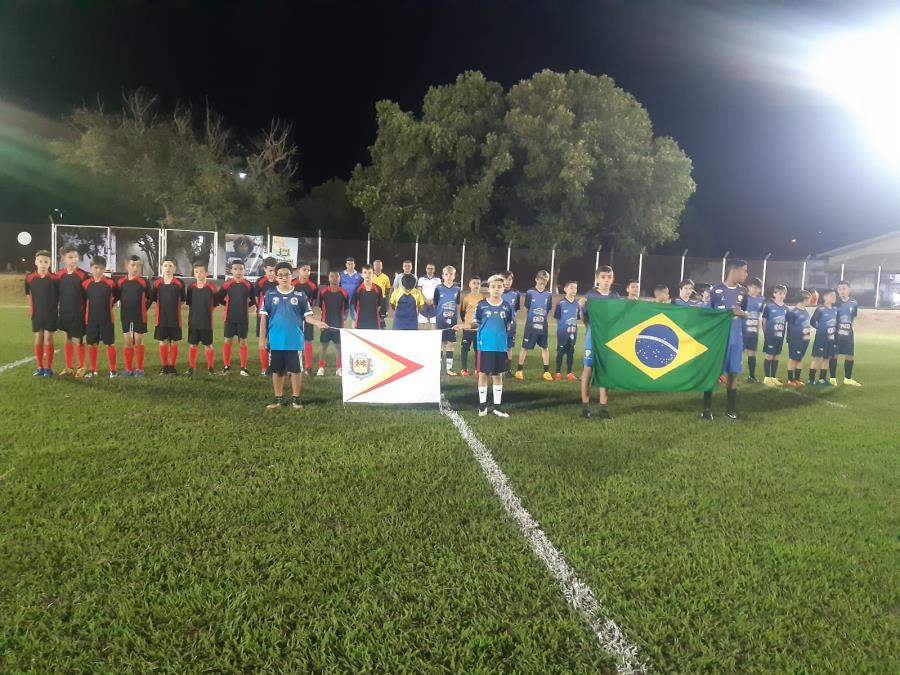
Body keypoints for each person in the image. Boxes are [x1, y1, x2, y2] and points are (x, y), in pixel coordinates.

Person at [259, 262, 329, 409]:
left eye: (287, 275)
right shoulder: (270, 294)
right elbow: (264, 317)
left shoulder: (300, 295)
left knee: (296, 370)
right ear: (276, 277)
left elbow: (307, 317)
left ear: (292, 276)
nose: (284, 278)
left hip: (294, 341)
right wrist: (262, 338)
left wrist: (317, 323)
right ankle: (278, 398)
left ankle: (296, 399)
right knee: (277, 371)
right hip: (276, 341)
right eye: (280, 275)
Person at [454, 274, 513, 417]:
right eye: (493, 287)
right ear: (489, 289)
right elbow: (476, 323)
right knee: (482, 374)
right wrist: (463, 326)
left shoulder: (507, 306)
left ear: (503, 288)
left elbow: (508, 325)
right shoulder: (482, 305)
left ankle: (497, 407)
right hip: (485, 345)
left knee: (498, 374)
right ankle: (482, 407)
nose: (496, 289)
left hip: (500, 346)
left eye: (499, 286)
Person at [703, 259, 749, 420]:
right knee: (714, 373)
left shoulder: (743, 291)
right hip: (720, 339)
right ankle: (706, 410)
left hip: (736, 339)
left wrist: (741, 313)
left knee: (733, 374)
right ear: (734, 270)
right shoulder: (715, 290)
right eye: (744, 270)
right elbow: (708, 314)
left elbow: (746, 313)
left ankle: (730, 411)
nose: (746, 274)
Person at [580, 266, 618, 419]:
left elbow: (617, 319)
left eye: (609, 277)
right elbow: (585, 321)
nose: (606, 280)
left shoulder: (615, 296)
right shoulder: (591, 296)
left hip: (608, 340)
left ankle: (603, 408)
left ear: (612, 278)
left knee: (604, 372)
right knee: (587, 370)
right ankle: (585, 406)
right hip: (592, 337)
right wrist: (581, 308)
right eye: (603, 277)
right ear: (597, 278)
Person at [216, 259, 256, 375]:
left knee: (243, 341)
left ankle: (243, 367)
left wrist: (245, 306)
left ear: (245, 270)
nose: (238, 271)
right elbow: (218, 298)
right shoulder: (227, 284)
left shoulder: (248, 285)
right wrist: (227, 304)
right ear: (231, 271)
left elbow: (253, 300)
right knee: (228, 340)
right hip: (229, 318)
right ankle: (226, 366)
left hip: (243, 318)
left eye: (241, 269)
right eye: (235, 269)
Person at [81, 256, 118, 378]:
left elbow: (116, 296)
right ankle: (93, 370)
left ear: (104, 269)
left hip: (107, 319)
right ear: (91, 268)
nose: (98, 270)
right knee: (92, 344)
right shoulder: (85, 284)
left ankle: (113, 371)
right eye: (96, 268)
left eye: (101, 268)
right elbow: (83, 301)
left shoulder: (110, 283)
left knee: (110, 344)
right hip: (91, 319)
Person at [56, 245, 89, 377]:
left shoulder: (83, 275)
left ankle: (82, 367)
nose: (74, 259)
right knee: (67, 339)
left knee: (78, 340)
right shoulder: (59, 275)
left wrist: (86, 313)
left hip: (78, 313)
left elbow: (87, 296)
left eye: (76, 256)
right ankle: (69, 367)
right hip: (64, 312)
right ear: (63, 259)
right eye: (70, 257)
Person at [515, 270, 553, 381]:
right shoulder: (530, 292)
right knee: (525, 347)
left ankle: (546, 372)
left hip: (543, 327)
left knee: (545, 347)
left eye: (545, 280)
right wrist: (529, 322)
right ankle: (519, 371)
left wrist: (543, 320)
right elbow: (526, 308)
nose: (543, 282)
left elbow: (548, 310)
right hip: (530, 326)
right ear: (536, 279)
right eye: (541, 279)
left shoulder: (548, 294)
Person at [117, 255, 151, 377]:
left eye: (138, 265)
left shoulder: (143, 282)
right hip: (125, 315)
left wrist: (143, 308)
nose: (135, 268)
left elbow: (150, 298)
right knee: (127, 342)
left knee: (138, 342)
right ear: (127, 266)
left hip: (139, 316)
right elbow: (116, 296)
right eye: (132, 265)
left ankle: (139, 369)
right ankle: (128, 369)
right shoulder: (121, 282)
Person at [25, 249, 58, 377]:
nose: (43, 264)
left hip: (51, 314)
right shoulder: (29, 278)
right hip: (37, 314)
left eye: (46, 261)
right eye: (40, 261)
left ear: (49, 263)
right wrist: (31, 311)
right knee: (38, 338)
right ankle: (40, 368)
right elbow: (28, 295)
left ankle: (48, 368)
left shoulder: (55, 279)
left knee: (48, 339)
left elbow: (59, 297)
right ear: (35, 262)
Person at [151, 257, 186, 376]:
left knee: (174, 342)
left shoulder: (179, 283)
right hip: (161, 318)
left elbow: (182, 301)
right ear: (161, 267)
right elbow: (155, 299)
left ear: (174, 268)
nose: (168, 268)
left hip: (175, 318)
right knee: (163, 342)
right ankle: (164, 367)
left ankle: (172, 367)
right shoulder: (157, 284)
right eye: (165, 265)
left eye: (170, 266)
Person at [185, 260, 218, 377]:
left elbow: (215, 304)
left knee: (208, 345)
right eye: (196, 272)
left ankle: (210, 368)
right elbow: (189, 303)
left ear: (206, 273)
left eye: (201, 272)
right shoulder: (191, 288)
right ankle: (191, 367)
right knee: (193, 344)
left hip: (206, 323)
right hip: (193, 322)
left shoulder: (212, 288)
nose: (198, 274)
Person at [317, 271, 348, 376]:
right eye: (332, 276)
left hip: (338, 325)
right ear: (329, 278)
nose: (334, 278)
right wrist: (321, 322)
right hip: (326, 324)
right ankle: (321, 367)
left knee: (339, 347)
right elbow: (321, 307)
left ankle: (339, 368)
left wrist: (345, 318)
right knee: (323, 346)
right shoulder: (323, 292)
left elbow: (347, 308)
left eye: (337, 276)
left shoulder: (344, 293)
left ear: (340, 278)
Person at [432, 265, 461, 375]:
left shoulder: (457, 289)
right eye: (446, 274)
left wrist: (454, 318)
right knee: (440, 343)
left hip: (452, 321)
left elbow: (457, 304)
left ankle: (449, 368)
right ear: (443, 275)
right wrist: (439, 316)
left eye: (451, 274)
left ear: (454, 276)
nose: (449, 276)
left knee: (450, 343)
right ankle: (438, 367)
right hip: (440, 320)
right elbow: (435, 303)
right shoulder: (438, 288)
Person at [760, 284, 789, 386]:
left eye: (783, 294)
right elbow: (764, 321)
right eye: (779, 293)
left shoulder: (786, 308)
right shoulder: (769, 306)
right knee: (770, 355)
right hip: (770, 336)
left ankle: (773, 377)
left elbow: (787, 322)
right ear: (774, 294)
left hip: (780, 336)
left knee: (776, 356)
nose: (781, 295)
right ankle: (767, 378)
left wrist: (786, 335)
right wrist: (766, 334)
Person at [809, 288, 838, 386]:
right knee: (817, 358)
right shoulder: (820, 309)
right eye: (832, 295)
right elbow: (812, 321)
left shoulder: (835, 310)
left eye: (834, 296)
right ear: (825, 297)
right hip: (821, 338)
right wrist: (820, 329)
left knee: (827, 358)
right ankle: (811, 379)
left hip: (831, 339)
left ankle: (822, 379)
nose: (834, 297)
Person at [293, 263, 319, 374]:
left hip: (307, 316)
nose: (307, 272)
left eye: (309, 270)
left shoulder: (312, 286)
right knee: (293, 339)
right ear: (299, 270)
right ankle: (293, 365)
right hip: (293, 316)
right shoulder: (292, 283)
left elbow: (312, 302)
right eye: (304, 270)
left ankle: (308, 367)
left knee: (307, 339)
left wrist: (308, 313)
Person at [255, 256, 279, 376]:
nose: (272, 273)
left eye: (274, 270)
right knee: (262, 341)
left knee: (274, 341)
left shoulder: (278, 282)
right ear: (264, 269)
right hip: (263, 317)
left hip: (276, 317)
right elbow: (256, 299)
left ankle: (274, 366)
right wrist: (261, 311)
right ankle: (264, 368)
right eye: (269, 270)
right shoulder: (260, 282)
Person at [553, 281, 581, 380]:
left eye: (575, 288)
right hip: (562, 332)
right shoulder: (561, 303)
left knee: (570, 352)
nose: (574, 290)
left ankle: (569, 372)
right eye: (571, 288)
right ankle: (558, 372)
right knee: (560, 352)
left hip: (573, 332)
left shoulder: (577, 304)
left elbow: (577, 317)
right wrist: (562, 327)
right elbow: (557, 317)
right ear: (565, 289)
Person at [835, 280, 861, 386]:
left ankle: (848, 378)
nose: (842, 291)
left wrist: (849, 328)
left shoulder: (854, 303)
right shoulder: (835, 302)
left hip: (848, 333)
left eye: (844, 288)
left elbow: (853, 317)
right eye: (840, 289)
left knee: (850, 355)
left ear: (849, 290)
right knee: (834, 355)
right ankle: (832, 378)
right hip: (836, 333)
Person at [786, 290, 812, 386]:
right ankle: (790, 380)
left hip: (805, 339)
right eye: (809, 298)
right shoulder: (793, 312)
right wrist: (789, 339)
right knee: (793, 358)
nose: (810, 300)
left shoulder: (805, 310)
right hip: (796, 339)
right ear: (804, 299)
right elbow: (789, 327)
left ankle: (797, 379)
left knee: (800, 359)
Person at [742, 277, 765, 383]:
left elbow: (762, 315)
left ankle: (752, 376)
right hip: (742, 331)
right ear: (749, 287)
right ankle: (724, 375)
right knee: (736, 354)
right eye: (753, 287)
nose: (756, 290)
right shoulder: (744, 298)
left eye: (758, 288)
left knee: (752, 354)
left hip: (753, 332)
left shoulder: (762, 300)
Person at [459, 276, 483, 376]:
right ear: (470, 285)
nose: (476, 285)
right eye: (474, 283)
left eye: (478, 283)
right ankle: (464, 369)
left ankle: (478, 369)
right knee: (465, 349)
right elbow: (462, 313)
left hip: (478, 329)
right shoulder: (466, 298)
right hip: (468, 329)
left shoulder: (483, 298)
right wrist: (467, 324)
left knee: (478, 350)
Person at [501, 271, 521, 372]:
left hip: (511, 325)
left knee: (509, 347)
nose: (507, 282)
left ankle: (508, 369)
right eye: (505, 279)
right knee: (498, 346)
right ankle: (498, 368)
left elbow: (515, 309)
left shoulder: (516, 293)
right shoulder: (498, 291)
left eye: (510, 280)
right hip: (499, 325)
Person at [354, 264, 384, 329]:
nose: (367, 275)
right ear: (362, 274)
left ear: (373, 274)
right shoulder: (357, 289)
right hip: (360, 323)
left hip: (374, 323)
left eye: (369, 273)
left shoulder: (378, 289)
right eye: (365, 273)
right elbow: (355, 306)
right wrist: (355, 320)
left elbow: (380, 306)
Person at [339, 257, 362, 322]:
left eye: (352, 264)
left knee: (356, 319)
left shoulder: (360, 275)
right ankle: (340, 332)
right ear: (346, 265)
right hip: (344, 301)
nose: (350, 266)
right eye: (348, 264)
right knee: (342, 319)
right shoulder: (340, 275)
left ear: (354, 265)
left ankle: (356, 331)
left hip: (354, 301)